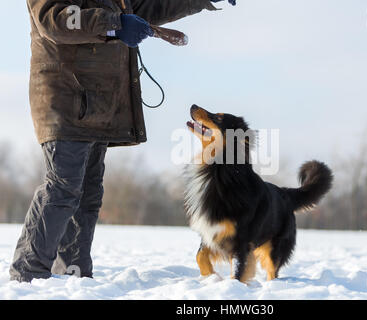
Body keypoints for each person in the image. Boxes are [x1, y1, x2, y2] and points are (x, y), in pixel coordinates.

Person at [10, 0, 236, 283]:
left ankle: (73, 275)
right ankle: (28, 274)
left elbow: (146, 7)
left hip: (97, 102)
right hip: (65, 96)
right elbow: (52, 18)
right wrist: (114, 24)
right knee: (64, 187)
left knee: (88, 195)